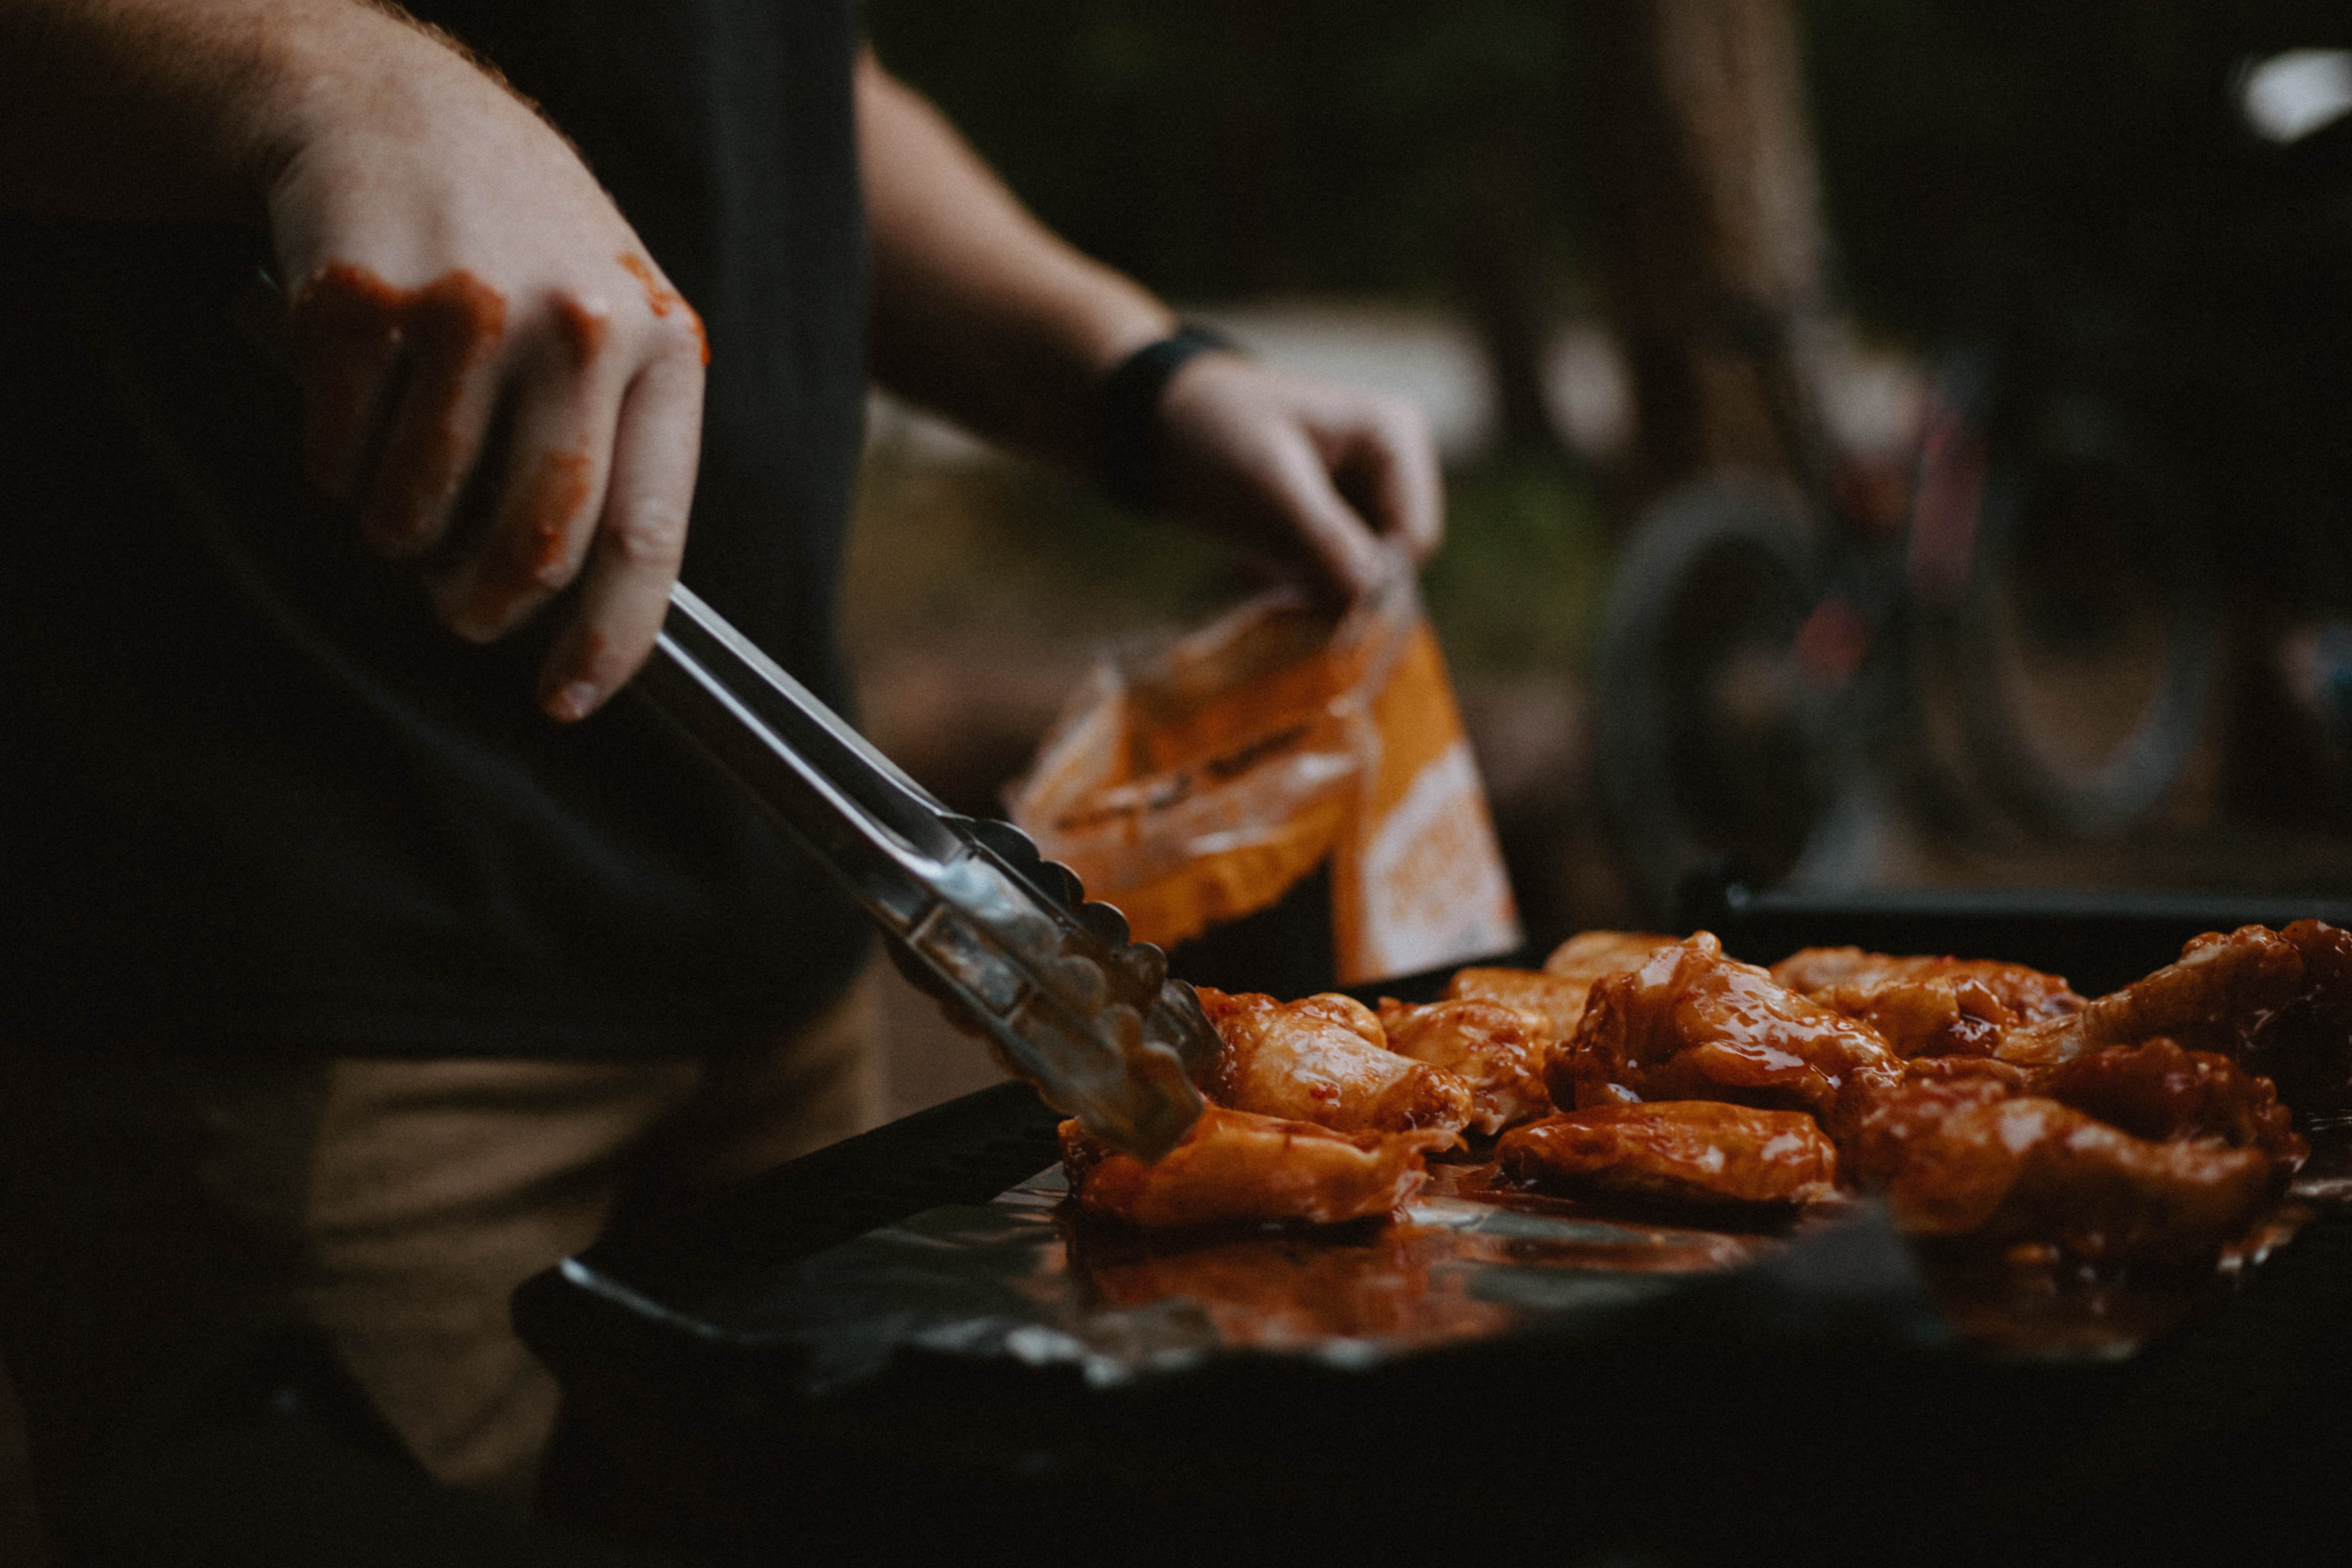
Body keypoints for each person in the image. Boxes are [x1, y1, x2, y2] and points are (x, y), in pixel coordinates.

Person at [0, 0, 1442, 1557]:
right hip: (309, 953)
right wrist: (336, 78)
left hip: (778, 956)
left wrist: (1135, 377)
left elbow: (783, 81)